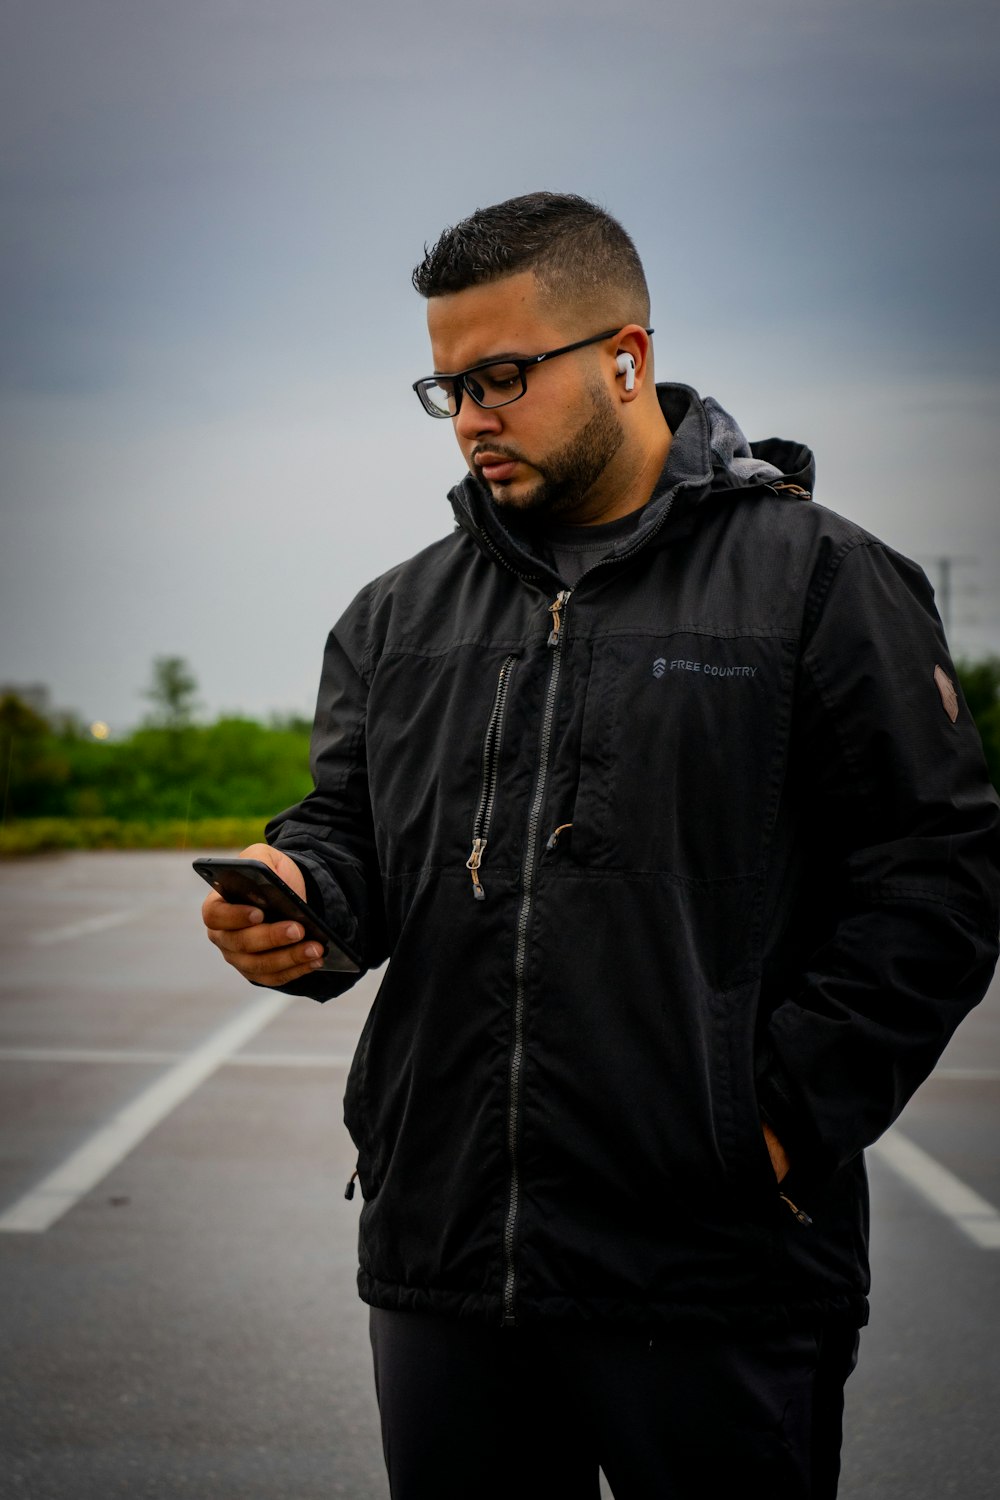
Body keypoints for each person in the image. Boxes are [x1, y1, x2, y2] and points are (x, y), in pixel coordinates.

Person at [201, 191, 1000, 1498]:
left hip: (717, 1272)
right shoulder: (395, 615)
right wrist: (296, 901)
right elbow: (351, 831)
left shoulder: (817, 580)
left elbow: (938, 879)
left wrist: (773, 1127)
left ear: (625, 356)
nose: (469, 417)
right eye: (446, 384)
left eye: (502, 376)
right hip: (449, 1259)